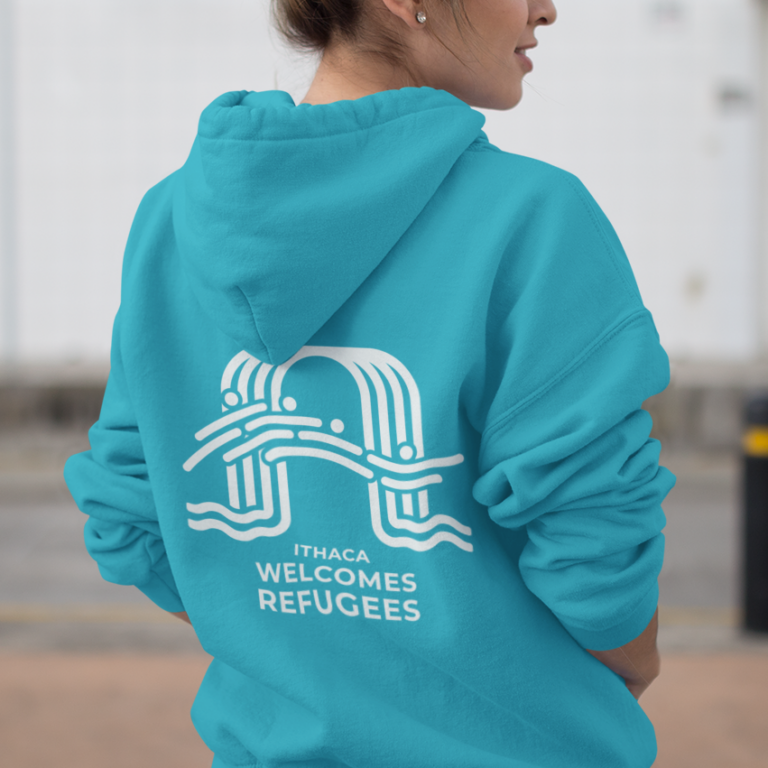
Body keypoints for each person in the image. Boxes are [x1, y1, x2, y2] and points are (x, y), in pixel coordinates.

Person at [63, 0, 677, 765]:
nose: (547, 9)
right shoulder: (533, 220)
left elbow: (136, 517)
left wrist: (302, 645)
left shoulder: (170, 222)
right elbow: (595, 546)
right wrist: (636, 664)